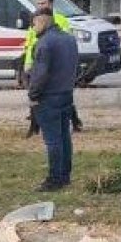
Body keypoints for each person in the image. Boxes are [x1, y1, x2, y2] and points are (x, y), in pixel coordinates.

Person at [27, 12, 79, 192]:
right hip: (66, 94)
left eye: (34, 24)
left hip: (48, 97)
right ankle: (65, 176)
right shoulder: (69, 40)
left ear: (42, 22)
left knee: (53, 140)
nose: (33, 29)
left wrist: (33, 95)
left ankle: (54, 179)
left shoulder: (45, 43)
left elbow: (40, 74)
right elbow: (75, 67)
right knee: (64, 136)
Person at [19, 0, 71, 86]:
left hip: (49, 60)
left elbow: (64, 42)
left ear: (51, 4)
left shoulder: (61, 20)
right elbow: (29, 42)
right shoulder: (35, 18)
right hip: (32, 61)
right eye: (38, 4)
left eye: (43, 3)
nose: (40, 6)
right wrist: (26, 61)